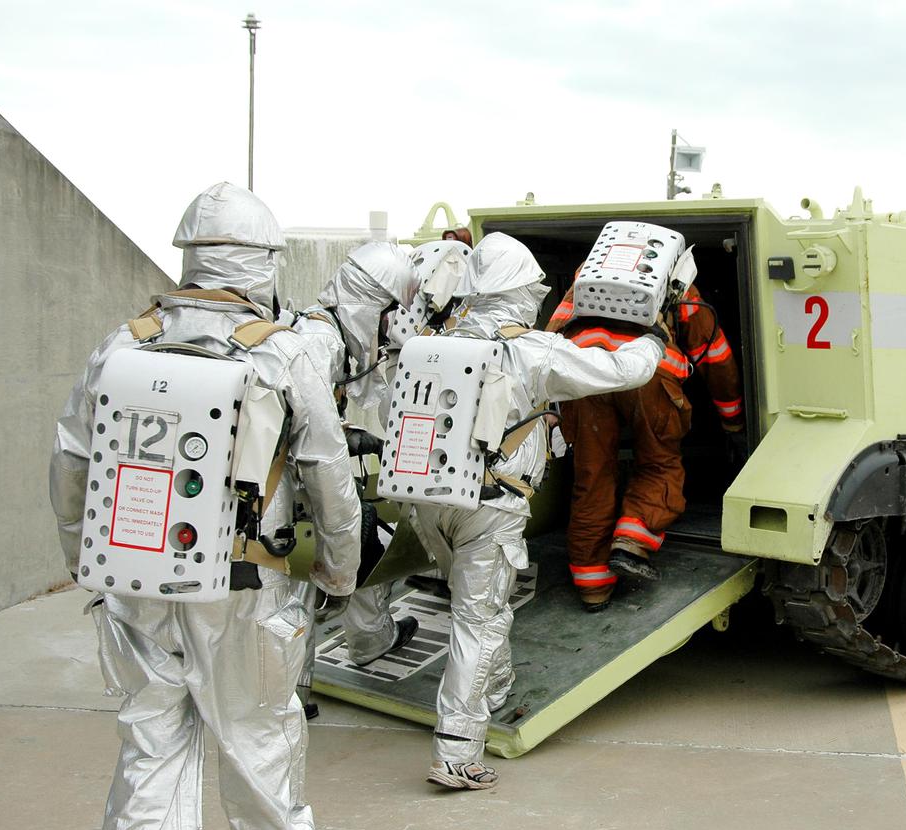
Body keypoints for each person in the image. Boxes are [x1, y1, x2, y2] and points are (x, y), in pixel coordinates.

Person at [49, 182, 361, 830]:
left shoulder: (122, 346)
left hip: (133, 584)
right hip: (245, 594)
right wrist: (339, 570)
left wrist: (83, 555)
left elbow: (71, 456)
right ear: (264, 262)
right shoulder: (281, 352)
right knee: (260, 760)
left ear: (188, 256)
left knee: (149, 758)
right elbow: (329, 472)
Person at [415, 232, 666, 789]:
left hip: (428, 503)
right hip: (491, 505)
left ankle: (494, 688)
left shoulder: (433, 340)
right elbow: (624, 372)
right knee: (477, 621)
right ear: (520, 292)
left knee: (478, 606)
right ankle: (457, 750)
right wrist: (651, 336)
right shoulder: (529, 350)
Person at [292, 240, 468, 668]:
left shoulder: (315, 336)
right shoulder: (317, 348)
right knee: (360, 538)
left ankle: (353, 645)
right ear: (369, 304)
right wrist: (340, 570)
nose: (389, 326)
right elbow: (321, 466)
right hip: (288, 504)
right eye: (387, 314)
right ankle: (330, 659)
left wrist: (347, 435)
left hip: (287, 495)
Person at [546, 262, 744, 611]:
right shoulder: (677, 278)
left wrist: (549, 398)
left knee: (592, 474)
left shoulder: (587, 273)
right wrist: (733, 420)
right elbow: (715, 356)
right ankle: (631, 542)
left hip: (586, 372)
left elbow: (555, 331)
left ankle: (592, 585)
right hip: (650, 372)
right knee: (659, 464)